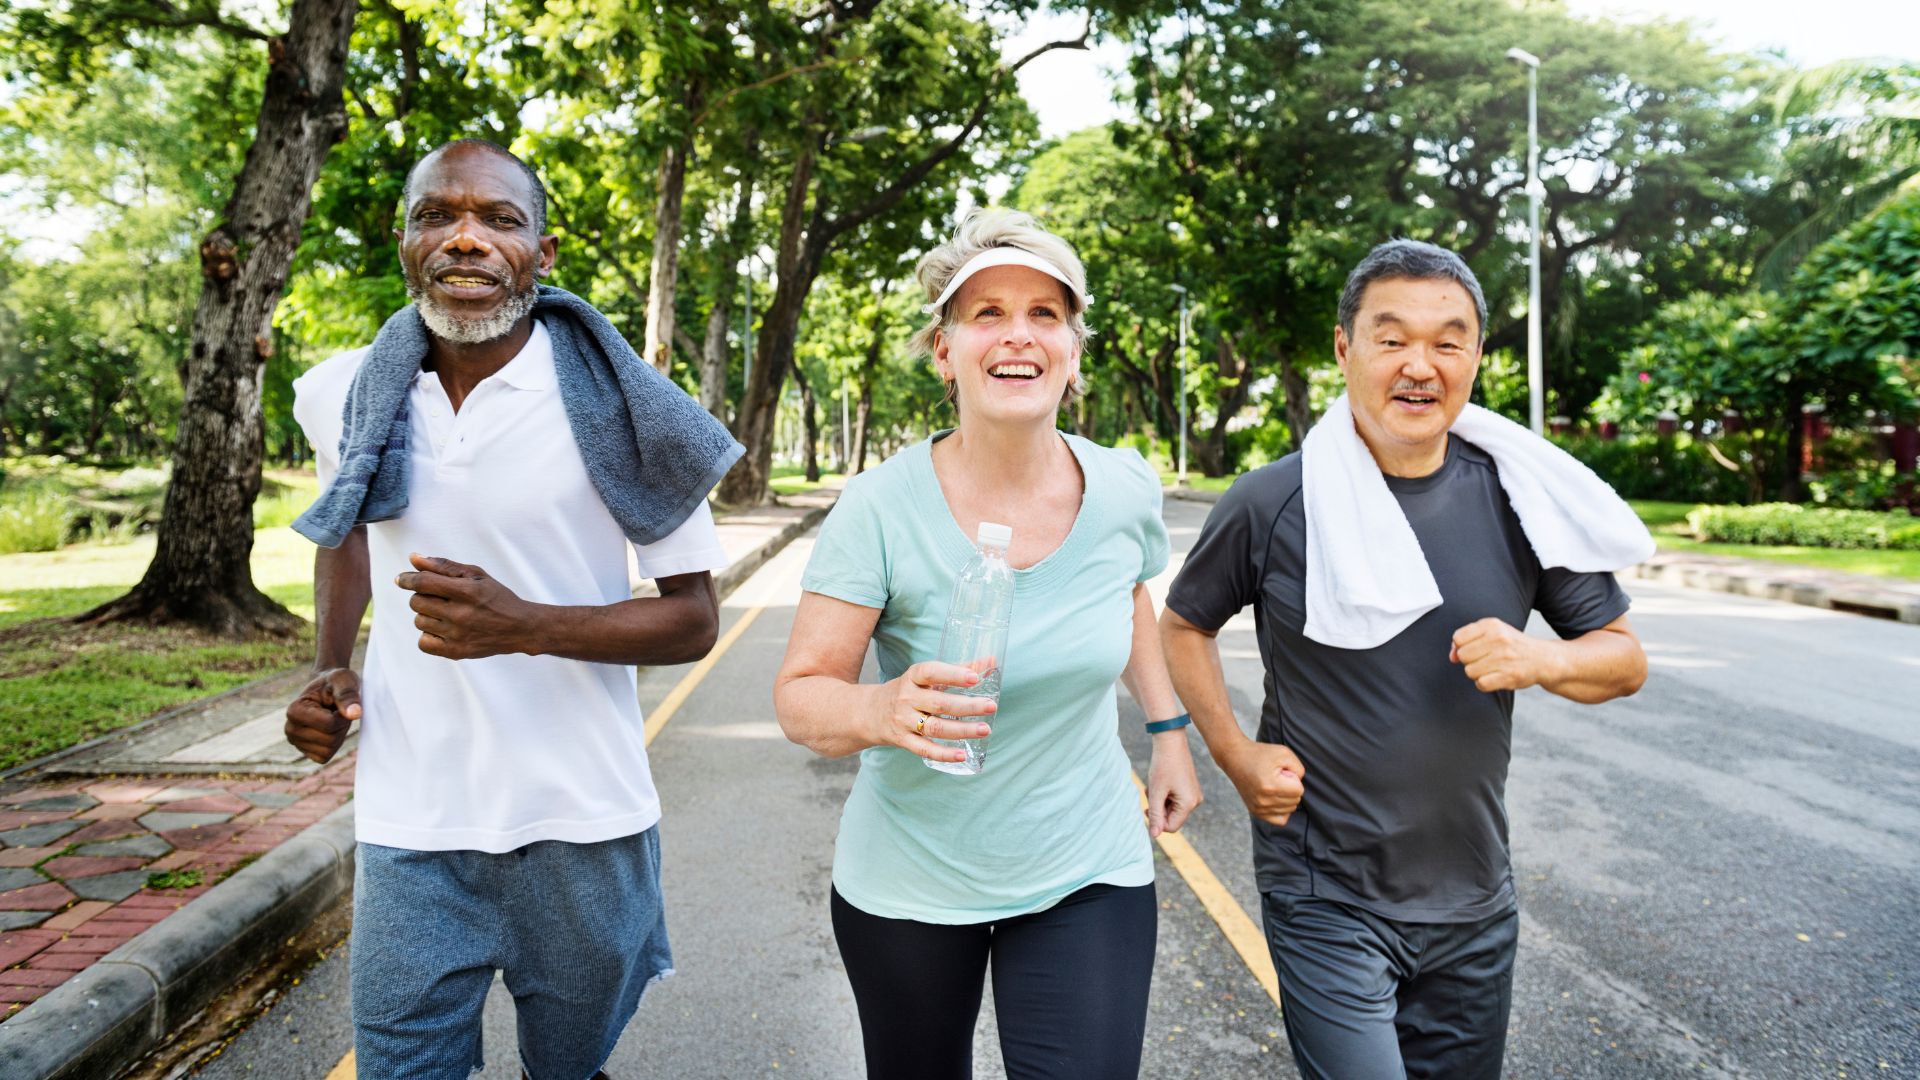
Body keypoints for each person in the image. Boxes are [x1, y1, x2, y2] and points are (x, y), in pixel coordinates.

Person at [282, 138, 742, 1080]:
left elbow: (694, 620)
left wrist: (522, 626)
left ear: (543, 250)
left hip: (582, 823)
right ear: (402, 237)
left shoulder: (627, 408)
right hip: (412, 823)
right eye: (436, 216)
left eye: (499, 219)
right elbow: (348, 533)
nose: (465, 240)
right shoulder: (341, 392)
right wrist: (332, 666)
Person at [1161, 239, 1650, 1080]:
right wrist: (1236, 756)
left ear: (1476, 359)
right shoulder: (1272, 502)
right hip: (1326, 891)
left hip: (1474, 899)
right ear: (1346, 350)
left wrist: (1540, 658)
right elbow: (1183, 626)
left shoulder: (1518, 498)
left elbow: (1623, 658)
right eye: (1392, 339)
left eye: (1447, 341)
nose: (1420, 365)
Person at [772, 208, 1202, 1079]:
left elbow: (1125, 595)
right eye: (988, 313)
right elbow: (802, 696)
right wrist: (883, 706)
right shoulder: (880, 508)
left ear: (1074, 350)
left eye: (1046, 314)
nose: (1019, 335)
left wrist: (1167, 733)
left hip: (1087, 863)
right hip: (911, 879)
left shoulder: (1121, 486)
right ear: (945, 349)